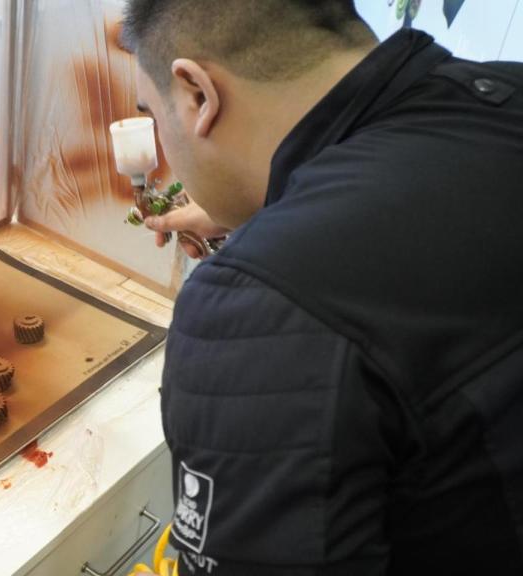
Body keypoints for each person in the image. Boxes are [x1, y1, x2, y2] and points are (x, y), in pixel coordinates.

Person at [121, 0, 523, 574]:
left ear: (196, 96)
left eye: (152, 114)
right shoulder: (506, 95)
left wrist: (274, 249)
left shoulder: (257, 308)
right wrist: (281, 208)